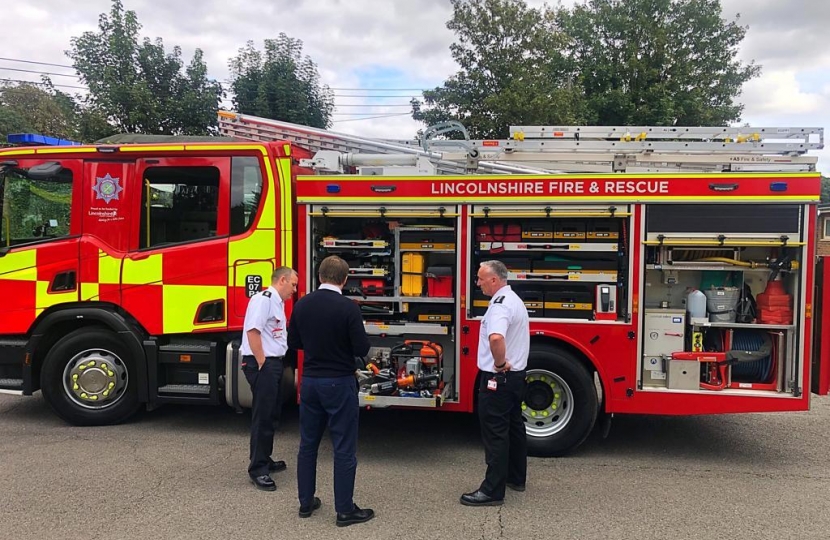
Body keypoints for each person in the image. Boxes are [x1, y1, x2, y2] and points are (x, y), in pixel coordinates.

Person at [287, 255, 374, 526]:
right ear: (345, 279)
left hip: (311, 381)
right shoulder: (348, 308)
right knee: (344, 448)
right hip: (339, 382)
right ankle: (345, 510)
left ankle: (305, 503)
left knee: (308, 445)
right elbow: (361, 348)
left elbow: (294, 342)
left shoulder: (302, 304)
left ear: (320, 276)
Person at [461, 260, 530, 507]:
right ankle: (515, 477)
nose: (477, 283)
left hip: (498, 380)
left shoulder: (500, 306)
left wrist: (499, 365)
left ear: (494, 280)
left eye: (480, 279)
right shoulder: (514, 300)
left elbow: (497, 337)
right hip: (515, 379)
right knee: (514, 427)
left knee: (495, 434)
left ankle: (491, 491)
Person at [240, 266, 298, 491]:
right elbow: (253, 331)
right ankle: (258, 469)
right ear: (281, 280)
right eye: (293, 284)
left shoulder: (277, 302)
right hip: (263, 364)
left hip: (273, 363)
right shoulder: (263, 299)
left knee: (272, 413)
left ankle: (266, 457)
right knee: (263, 416)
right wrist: (262, 361)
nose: (294, 289)